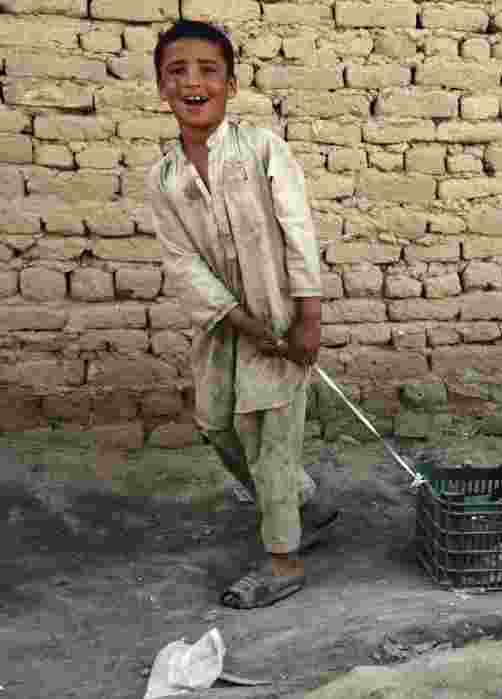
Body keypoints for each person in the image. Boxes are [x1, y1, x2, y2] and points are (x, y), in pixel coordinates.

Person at [148, 20, 339, 609]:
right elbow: (182, 263)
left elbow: (297, 230)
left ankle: (282, 561)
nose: (193, 82)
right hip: (224, 326)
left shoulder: (261, 149)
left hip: (281, 319)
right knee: (218, 425)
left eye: (208, 70)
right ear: (161, 88)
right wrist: (237, 320)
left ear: (230, 84)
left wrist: (307, 316)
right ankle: (301, 502)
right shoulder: (163, 178)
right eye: (177, 71)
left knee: (269, 441)